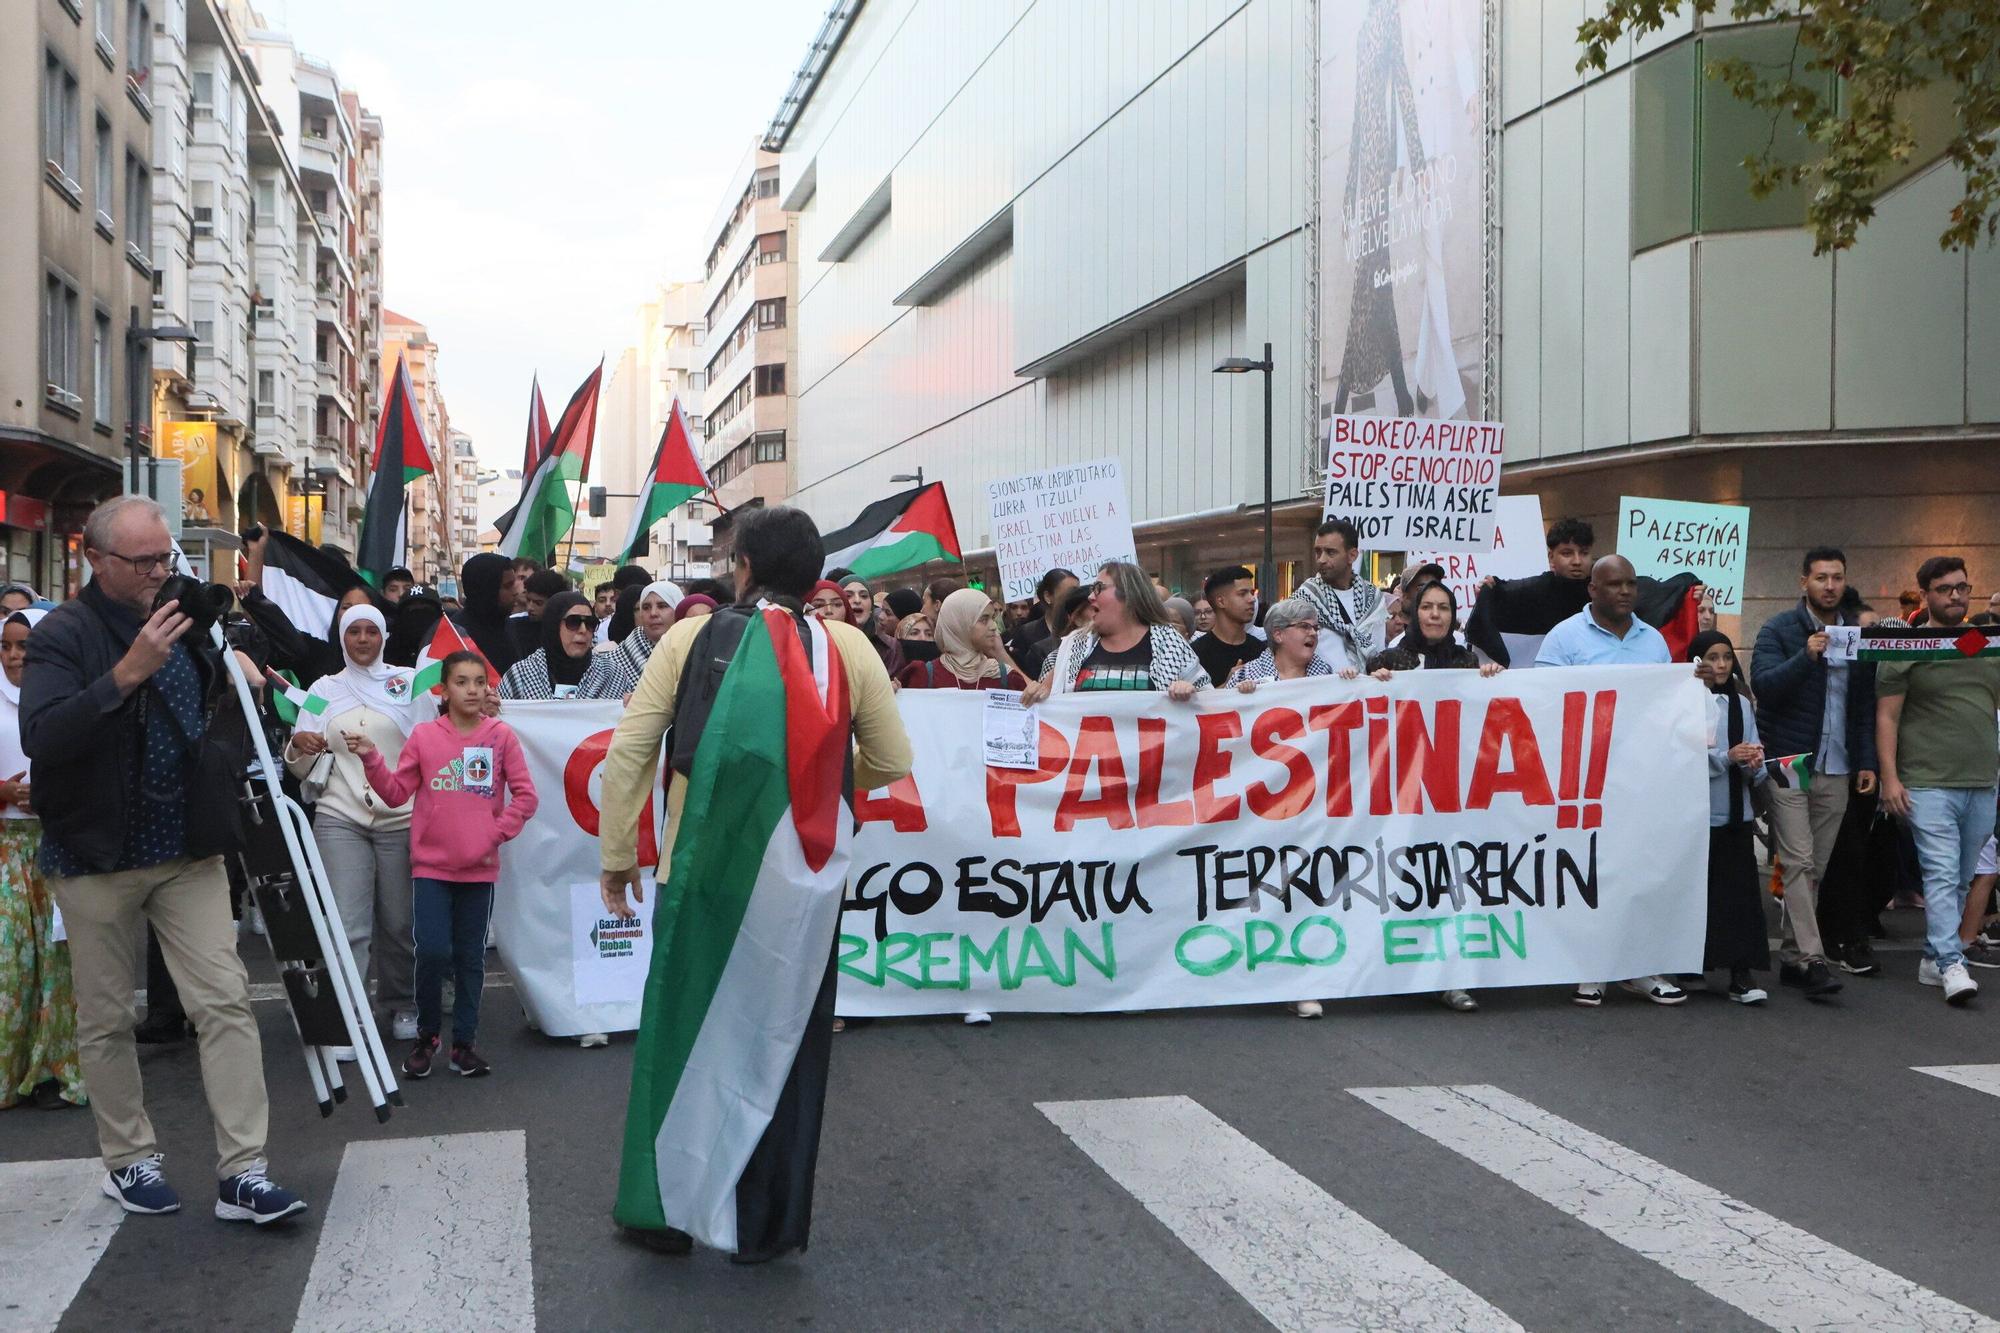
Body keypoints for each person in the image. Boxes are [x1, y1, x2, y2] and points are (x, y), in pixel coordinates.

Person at [596, 505, 911, 1263]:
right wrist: (824, 789)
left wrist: (618, 855)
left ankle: (663, 1213)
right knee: (784, 1042)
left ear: (742, 568)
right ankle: (765, 1225)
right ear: (816, 577)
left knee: (683, 1038)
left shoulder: (689, 636)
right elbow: (892, 760)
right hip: (800, 886)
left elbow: (632, 749)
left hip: (699, 871)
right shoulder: (849, 648)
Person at [20, 495, 306, 1223]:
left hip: (186, 848)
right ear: (93, 557)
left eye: (163, 556)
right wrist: (126, 673)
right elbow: (43, 736)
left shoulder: (187, 617)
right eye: (141, 560)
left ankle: (245, 1170)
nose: (157, 571)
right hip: (94, 854)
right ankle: (129, 1159)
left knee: (226, 1001)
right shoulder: (65, 635)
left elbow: (213, 702)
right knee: (108, 1018)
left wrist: (238, 665)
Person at [350, 651, 537, 1078]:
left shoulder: (501, 737)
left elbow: (526, 797)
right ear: (444, 689)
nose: (472, 690)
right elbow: (397, 793)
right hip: (431, 867)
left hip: (479, 869)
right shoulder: (424, 736)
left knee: (470, 957)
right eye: (462, 682)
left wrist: (493, 832)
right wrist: (372, 758)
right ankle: (427, 1035)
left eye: (479, 682)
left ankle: (464, 1043)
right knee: (432, 951)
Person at [1533, 555, 1686, 1008]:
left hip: (1641, 776)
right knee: (1592, 870)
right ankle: (1592, 966)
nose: (1625, 592)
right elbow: (1544, 702)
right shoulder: (1564, 638)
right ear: (1593, 591)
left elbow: (1666, 704)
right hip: (1585, 775)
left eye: (1631, 584)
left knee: (1640, 869)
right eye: (1615, 584)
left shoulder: (1653, 640)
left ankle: (1642, 967)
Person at [284, 604, 434, 1047]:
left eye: (372, 631)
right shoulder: (322, 690)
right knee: (347, 924)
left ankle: (402, 1002)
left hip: (402, 818)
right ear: (342, 638)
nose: (363, 640)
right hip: (340, 817)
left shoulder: (408, 685)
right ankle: (350, 1015)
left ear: (384, 636)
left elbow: (432, 748)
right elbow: (299, 766)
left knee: (400, 922)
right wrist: (300, 745)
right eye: (354, 632)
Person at [1361, 579, 1503, 1015]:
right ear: (1412, 612)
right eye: (1428, 607)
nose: (1435, 615)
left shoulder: (1466, 661)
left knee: (1451, 881)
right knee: (1403, 879)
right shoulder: (1387, 660)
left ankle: (1451, 975)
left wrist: (1492, 681)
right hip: (1401, 794)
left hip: (1451, 794)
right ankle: (1392, 965)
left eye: (1444, 607)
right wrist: (1373, 683)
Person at [1751, 547, 1877, 989]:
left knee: (1815, 865)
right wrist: (1805, 657)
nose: (1830, 586)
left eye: (1837, 577)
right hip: (1790, 760)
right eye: (1821, 577)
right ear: (1803, 581)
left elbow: (1863, 705)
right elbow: (1764, 688)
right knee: (1799, 859)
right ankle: (1813, 957)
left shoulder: (1855, 635)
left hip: (1837, 763)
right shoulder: (1780, 629)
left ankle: (1791, 957)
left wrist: (1866, 760)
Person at [1876, 557, 2000, 1005]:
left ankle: (1933, 956)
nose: (1956, 595)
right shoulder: (1907, 646)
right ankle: (1951, 962)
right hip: (1927, 782)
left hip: (1982, 780)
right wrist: (1890, 778)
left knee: (1965, 876)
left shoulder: (1980, 644)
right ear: (1925, 593)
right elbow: (1887, 714)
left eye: (1962, 587)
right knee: (1942, 874)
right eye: (1945, 588)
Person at [0, 608, 84, 1109]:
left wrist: (50, 793)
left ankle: (55, 1070)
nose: (15, 656)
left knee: (58, 966)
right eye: (6, 646)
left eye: (25, 645)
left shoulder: (65, 699)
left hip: (59, 844)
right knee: (11, 966)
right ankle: (10, 1071)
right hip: (7, 850)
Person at [1691, 631, 1774, 1005]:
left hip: (1736, 814)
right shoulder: (1687, 701)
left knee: (1740, 896)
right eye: (1712, 657)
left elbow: (1752, 755)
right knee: (1700, 895)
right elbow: (1682, 756)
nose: (1721, 664)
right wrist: (1727, 757)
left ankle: (1741, 973)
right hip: (1697, 816)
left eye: (1726, 656)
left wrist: (1757, 764)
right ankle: (1693, 963)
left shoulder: (1742, 702)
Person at [1023, 562, 1211, 701]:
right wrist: (1036, 693)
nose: (1090, 597)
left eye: (1098, 589)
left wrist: (1190, 693)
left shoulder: (1170, 644)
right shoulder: (1074, 647)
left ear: (1129, 594)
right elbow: (1045, 696)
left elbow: (1211, 705)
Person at [1294, 519, 1384, 673]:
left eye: (1330, 552)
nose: (1321, 559)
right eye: (1318, 552)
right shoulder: (1304, 599)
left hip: (1367, 689)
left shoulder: (1373, 598)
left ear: (1352, 555)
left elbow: (1379, 649)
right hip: (1324, 689)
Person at [901, 589, 1028, 692]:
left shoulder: (1007, 677)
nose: (993, 626)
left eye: (992, 618)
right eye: (984, 619)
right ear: (959, 624)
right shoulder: (924, 676)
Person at [582, 581, 679, 702]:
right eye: (646, 607)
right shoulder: (610, 664)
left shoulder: (693, 652)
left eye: (662, 606)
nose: (653, 613)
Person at [499, 591, 596, 700]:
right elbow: (499, 714)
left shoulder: (611, 675)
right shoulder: (521, 676)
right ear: (553, 626)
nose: (583, 630)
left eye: (590, 623)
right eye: (573, 622)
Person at [1226, 597, 1336, 692]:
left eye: (1316, 628)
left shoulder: (1327, 675)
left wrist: (1348, 680)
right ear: (1278, 635)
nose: (1313, 633)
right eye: (1304, 626)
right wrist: (1243, 697)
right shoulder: (1244, 677)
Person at [453, 553, 527, 674]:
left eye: (514, 583)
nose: (515, 592)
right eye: (507, 586)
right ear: (487, 590)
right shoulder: (456, 634)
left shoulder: (509, 626)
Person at [1192, 566, 1265, 687]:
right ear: (1221, 601)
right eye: (1242, 594)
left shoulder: (1261, 651)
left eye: (1252, 593)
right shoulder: (1196, 654)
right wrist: (1228, 685)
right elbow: (1191, 703)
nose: (1252, 599)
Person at [1007, 568, 1079, 678]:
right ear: (1048, 597)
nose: (1076, 600)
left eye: (1078, 593)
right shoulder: (1027, 633)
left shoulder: (1082, 629)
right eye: (1069, 594)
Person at [840, 577, 905, 676]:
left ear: (871, 607)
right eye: (848, 596)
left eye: (864, 596)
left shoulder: (890, 646)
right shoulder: (825, 641)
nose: (857, 600)